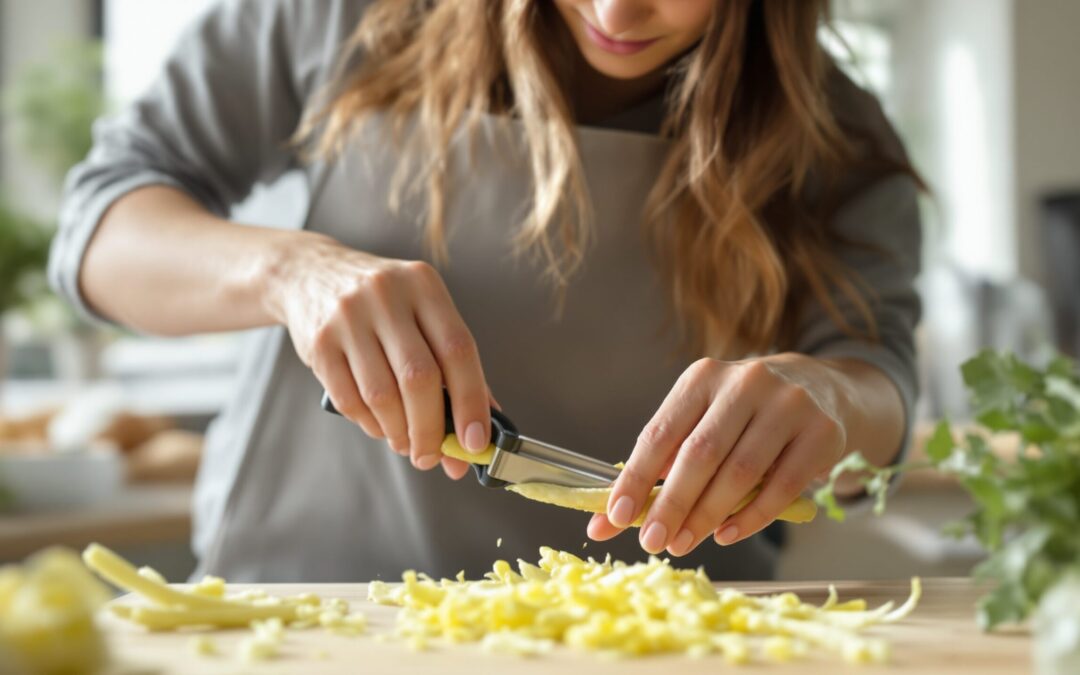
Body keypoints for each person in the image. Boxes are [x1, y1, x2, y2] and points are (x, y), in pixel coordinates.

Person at [50, 0, 921, 582]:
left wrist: (835, 396)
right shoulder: (341, 18)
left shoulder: (837, 134)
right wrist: (290, 272)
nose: (618, 12)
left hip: (665, 643)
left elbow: (876, 383)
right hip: (297, 612)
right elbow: (97, 231)